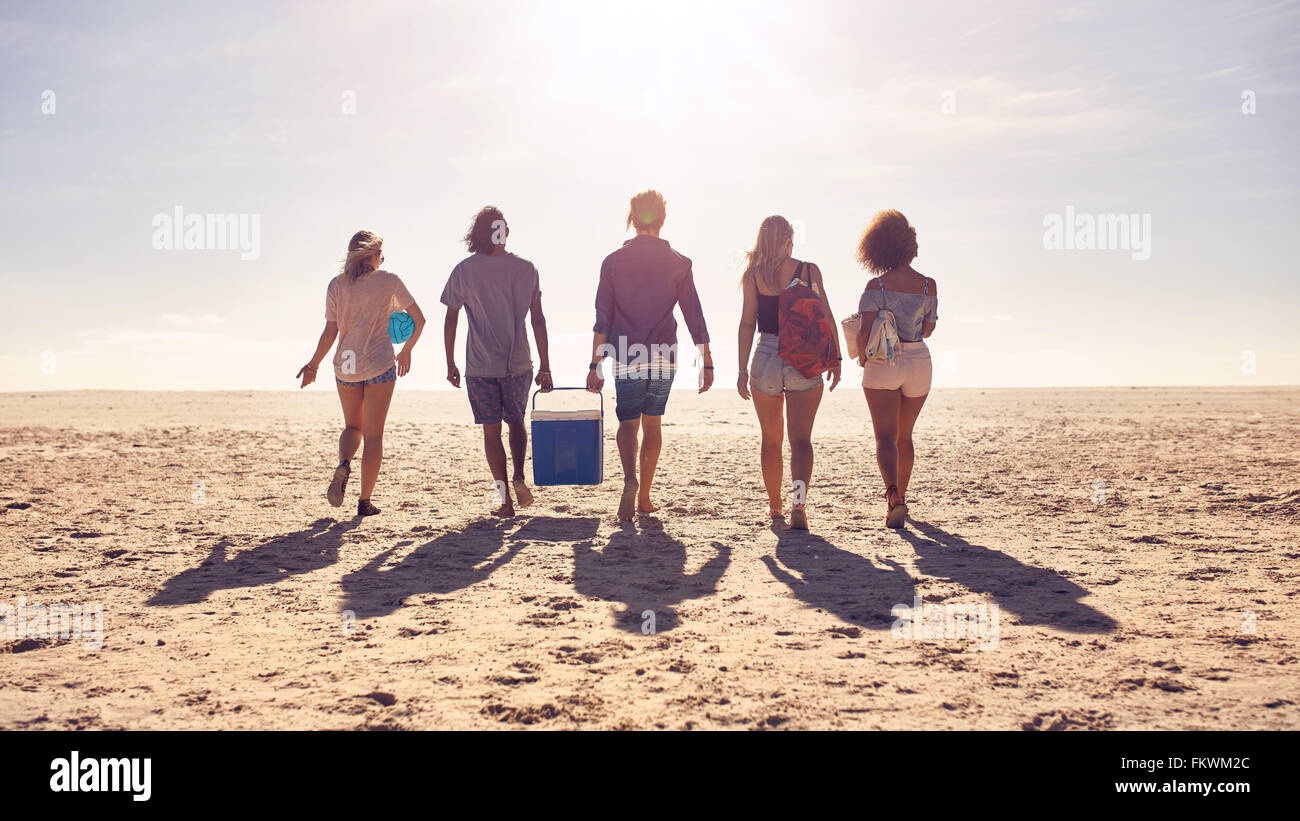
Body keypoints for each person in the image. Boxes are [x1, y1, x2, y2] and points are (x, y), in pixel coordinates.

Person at [587, 190, 713, 522]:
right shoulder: (679, 262)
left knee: (627, 422)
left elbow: (603, 317)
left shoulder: (613, 262)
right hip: (663, 353)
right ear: (662, 218)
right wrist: (707, 360)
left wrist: (594, 364)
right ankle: (644, 496)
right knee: (652, 424)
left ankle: (630, 479)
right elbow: (693, 315)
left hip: (628, 353)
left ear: (633, 218)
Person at [297, 230, 425, 517]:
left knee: (352, 427)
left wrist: (313, 364)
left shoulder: (337, 285)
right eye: (380, 254)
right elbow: (420, 319)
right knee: (374, 436)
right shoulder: (389, 281)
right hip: (379, 363)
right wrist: (406, 350)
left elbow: (331, 331)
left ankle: (344, 463)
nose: (382, 259)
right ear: (371, 254)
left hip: (345, 366)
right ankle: (364, 502)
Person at [442, 206, 553, 517]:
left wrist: (449, 361)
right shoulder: (527, 268)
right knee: (516, 421)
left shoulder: (464, 270)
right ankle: (519, 476)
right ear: (504, 232)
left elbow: (451, 319)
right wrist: (545, 365)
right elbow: (539, 320)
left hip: (479, 365)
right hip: (518, 362)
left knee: (491, 432)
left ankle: (503, 501)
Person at [737, 216, 842, 530]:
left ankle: (775, 507)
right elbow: (825, 314)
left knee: (770, 441)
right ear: (787, 240)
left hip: (766, 356)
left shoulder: (753, 274)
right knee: (801, 441)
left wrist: (742, 369)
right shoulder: (809, 270)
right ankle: (799, 504)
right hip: (803, 355)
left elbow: (747, 323)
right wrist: (835, 357)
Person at [854, 210, 938, 528]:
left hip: (883, 364)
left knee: (884, 438)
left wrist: (863, 357)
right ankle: (902, 496)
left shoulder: (876, 286)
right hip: (919, 360)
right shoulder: (928, 285)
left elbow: (863, 333)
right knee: (905, 436)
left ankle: (894, 499)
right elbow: (928, 329)